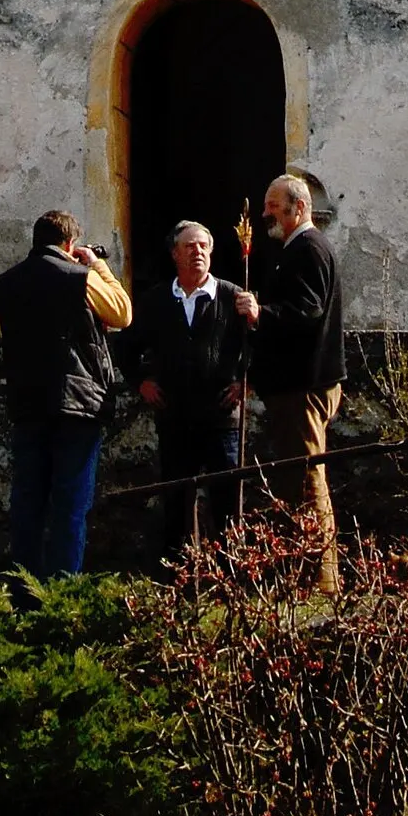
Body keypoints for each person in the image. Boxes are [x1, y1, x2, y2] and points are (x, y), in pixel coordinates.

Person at [0, 209, 132, 574]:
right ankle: (63, 592)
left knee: (28, 503)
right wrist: (97, 265)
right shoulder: (78, 277)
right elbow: (122, 313)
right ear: (70, 244)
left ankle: (24, 590)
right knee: (70, 504)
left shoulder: (6, 284)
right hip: (76, 404)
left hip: (26, 402)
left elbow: (7, 332)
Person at [233, 173, 345, 591]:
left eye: (273, 207)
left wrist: (262, 312)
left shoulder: (309, 250)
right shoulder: (295, 250)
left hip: (304, 385)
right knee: (297, 475)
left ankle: (319, 580)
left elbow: (308, 311)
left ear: (299, 207)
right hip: (297, 383)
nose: (265, 216)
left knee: (306, 476)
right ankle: (306, 571)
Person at [133, 220, 249, 561]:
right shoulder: (156, 300)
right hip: (175, 417)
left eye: (203, 246)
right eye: (189, 246)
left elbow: (256, 345)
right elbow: (127, 346)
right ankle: (180, 578)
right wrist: (142, 381)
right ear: (174, 254)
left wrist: (245, 382)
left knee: (228, 501)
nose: (197, 252)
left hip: (221, 418)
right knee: (177, 502)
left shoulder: (232, 297)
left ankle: (232, 578)